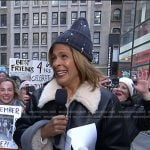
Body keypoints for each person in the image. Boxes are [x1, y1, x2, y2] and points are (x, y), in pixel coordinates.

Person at [13, 17, 130, 150]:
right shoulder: (39, 96)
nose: (56, 63)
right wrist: (43, 132)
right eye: (54, 58)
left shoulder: (106, 101)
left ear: (80, 60)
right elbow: (18, 134)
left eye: (64, 56)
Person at [113, 77, 150, 143]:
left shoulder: (135, 112)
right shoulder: (106, 105)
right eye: (117, 86)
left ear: (129, 94)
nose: (119, 89)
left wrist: (146, 94)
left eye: (124, 88)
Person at [0, 77, 25, 150]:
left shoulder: (23, 109)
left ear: (14, 92)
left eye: (10, 90)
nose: (6, 93)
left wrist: (23, 116)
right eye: (2, 90)